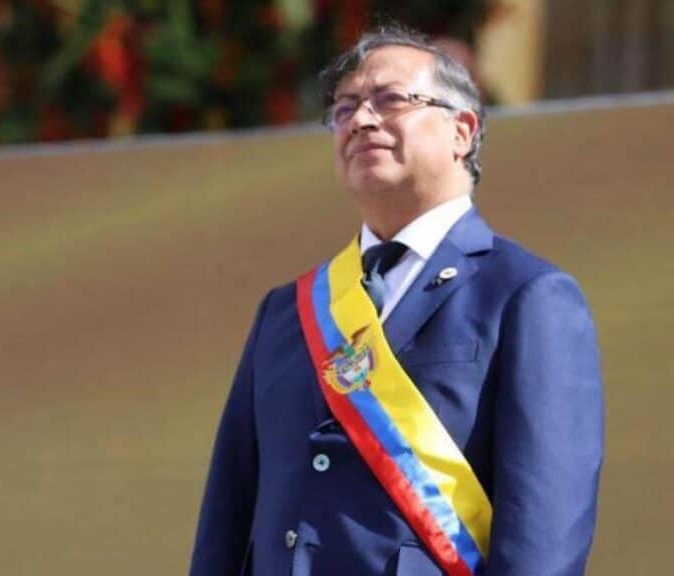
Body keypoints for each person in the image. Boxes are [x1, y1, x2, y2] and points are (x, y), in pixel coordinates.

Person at [189, 26, 603, 576]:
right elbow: (229, 511)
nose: (361, 120)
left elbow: (545, 533)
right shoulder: (286, 311)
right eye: (344, 108)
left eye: (390, 100)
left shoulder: (526, 296)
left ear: (462, 130)